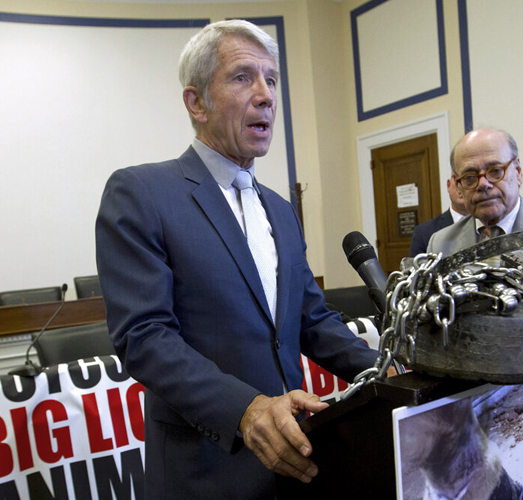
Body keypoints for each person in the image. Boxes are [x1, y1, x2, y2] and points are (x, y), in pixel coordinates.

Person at [95, 20, 379, 500]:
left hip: (298, 460)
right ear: (196, 102)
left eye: (271, 79)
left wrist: (386, 369)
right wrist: (245, 410)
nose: (266, 95)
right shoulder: (140, 192)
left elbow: (311, 321)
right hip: (203, 472)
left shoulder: (282, 210)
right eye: (243, 77)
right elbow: (144, 338)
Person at [409, 178, 468, 257]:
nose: (461, 188)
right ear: (448, 185)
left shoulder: (487, 225)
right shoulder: (424, 233)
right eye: (457, 183)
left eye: (467, 180)